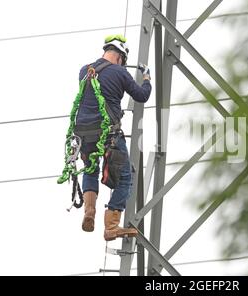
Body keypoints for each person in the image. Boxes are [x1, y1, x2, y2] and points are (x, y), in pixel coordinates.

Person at [74, 34, 151, 241]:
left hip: (83, 132)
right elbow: (142, 96)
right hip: (109, 133)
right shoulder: (120, 72)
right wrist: (146, 78)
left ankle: (89, 211)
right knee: (126, 176)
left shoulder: (85, 70)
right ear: (120, 57)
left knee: (91, 168)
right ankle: (111, 226)